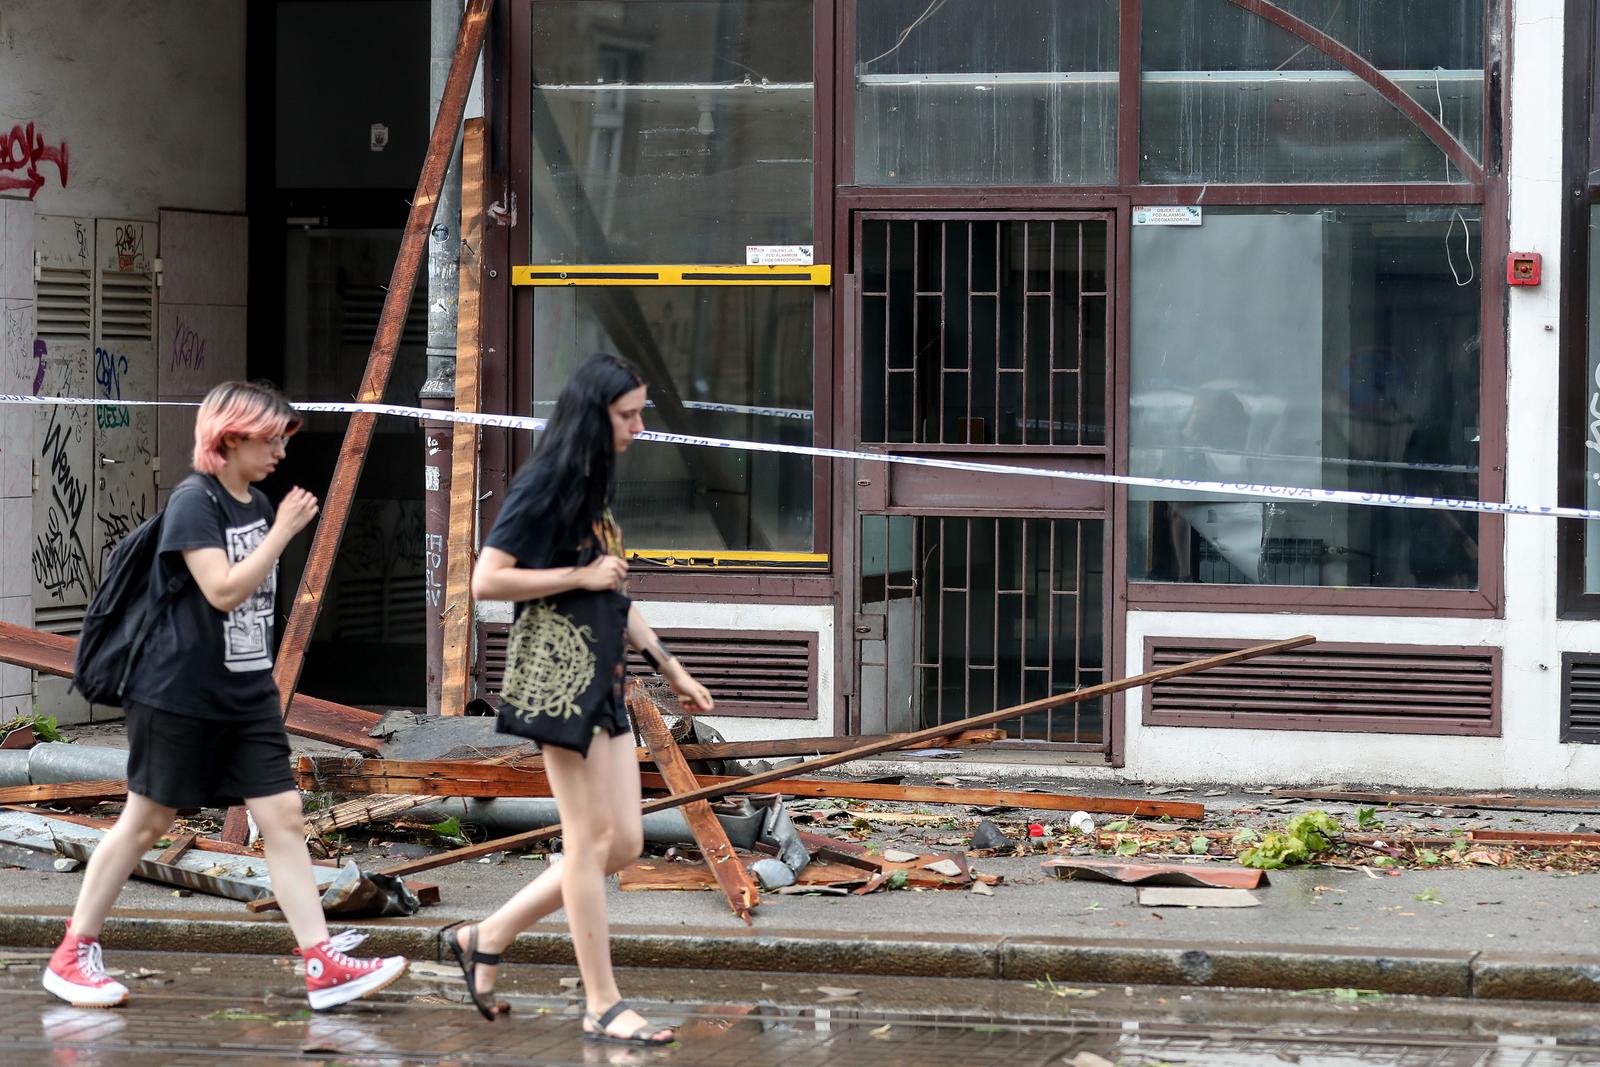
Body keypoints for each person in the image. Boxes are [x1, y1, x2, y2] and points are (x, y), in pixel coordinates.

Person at [42, 381, 409, 1011]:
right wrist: (284, 532)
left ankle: (321, 964)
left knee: (284, 817)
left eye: (282, 439)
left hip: (245, 694)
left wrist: (274, 526)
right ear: (229, 438)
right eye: (270, 439)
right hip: (177, 693)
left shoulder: (257, 503)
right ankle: (72, 954)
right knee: (149, 821)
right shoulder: (195, 502)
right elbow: (222, 590)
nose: (279, 452)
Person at [447, 353, 713, 1046]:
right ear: (594, 415)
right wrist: (581, 573)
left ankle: (487, 934)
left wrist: (670, 666)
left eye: (641, 412)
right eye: (629, 414)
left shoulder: (594, 489)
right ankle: (602, 1002)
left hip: (605, 677)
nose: (640, 426)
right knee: (588, 840)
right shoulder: (546, 481)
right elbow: (486, 580)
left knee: (621, 841)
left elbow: (614, 592)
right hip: (556, 679)